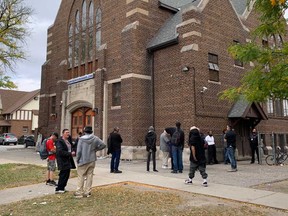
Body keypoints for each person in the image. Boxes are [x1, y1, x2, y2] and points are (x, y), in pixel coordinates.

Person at [74, 126, 106, 198]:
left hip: (83, 159)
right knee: (89, 176)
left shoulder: (81, 139)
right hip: (92, 159)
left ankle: (79, 192)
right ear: (91, 131)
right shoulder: (95, 138)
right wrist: (96, 149)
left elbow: (79, 151)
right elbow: (103, 145)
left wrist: (77, 159)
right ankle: (87, 192)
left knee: (81, 176)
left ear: (85, 131)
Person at [55, 129, 76, 194]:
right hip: (62, 160)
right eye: (66, 132)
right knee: (63, 174)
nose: (68, 134)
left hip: (68, 159)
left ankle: (63, 187)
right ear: (63, 133)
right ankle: (59, 188)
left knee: (67, 174)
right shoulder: (60, 141)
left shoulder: (68, 141)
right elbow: (60, 151)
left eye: (68, 132)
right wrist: (70, 153)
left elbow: (71, 147)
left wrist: (73, 151)